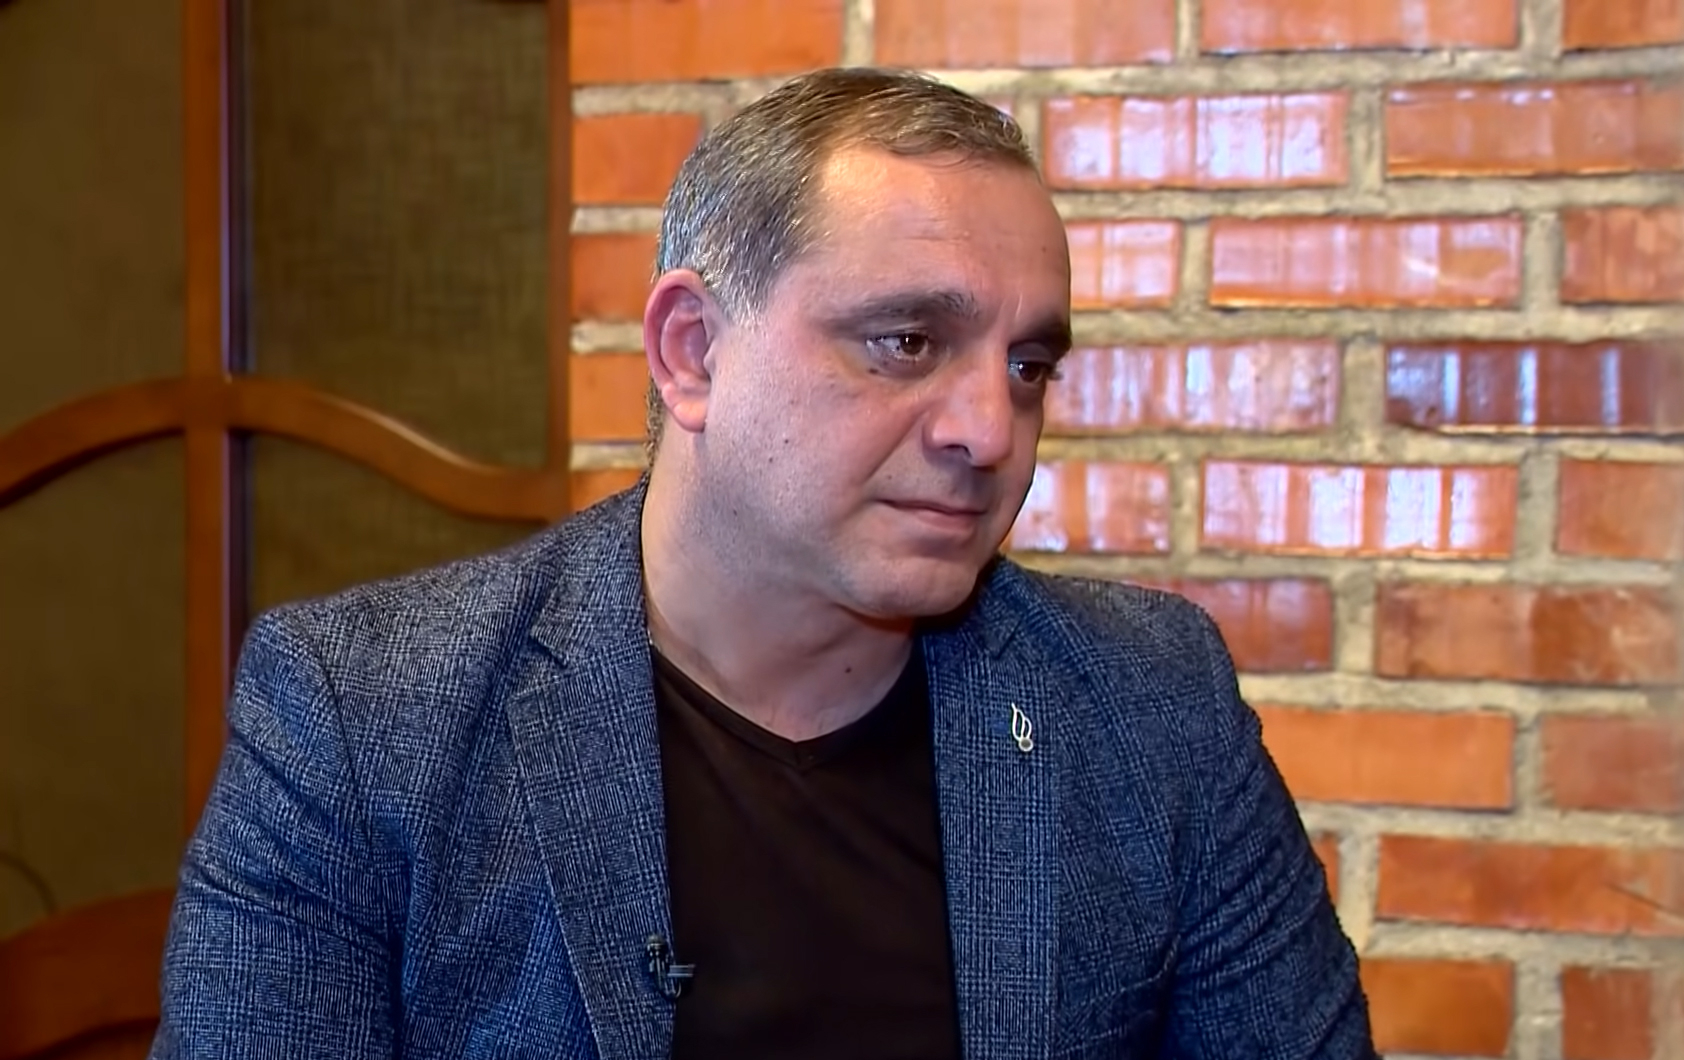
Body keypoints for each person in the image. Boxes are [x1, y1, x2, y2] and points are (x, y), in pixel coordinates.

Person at [151, 67, 1376, 1059]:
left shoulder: (1151, 704)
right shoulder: (364, 717)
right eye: (907, 341)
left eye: (1027, 366)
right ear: (691, 351)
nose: (988, 432)